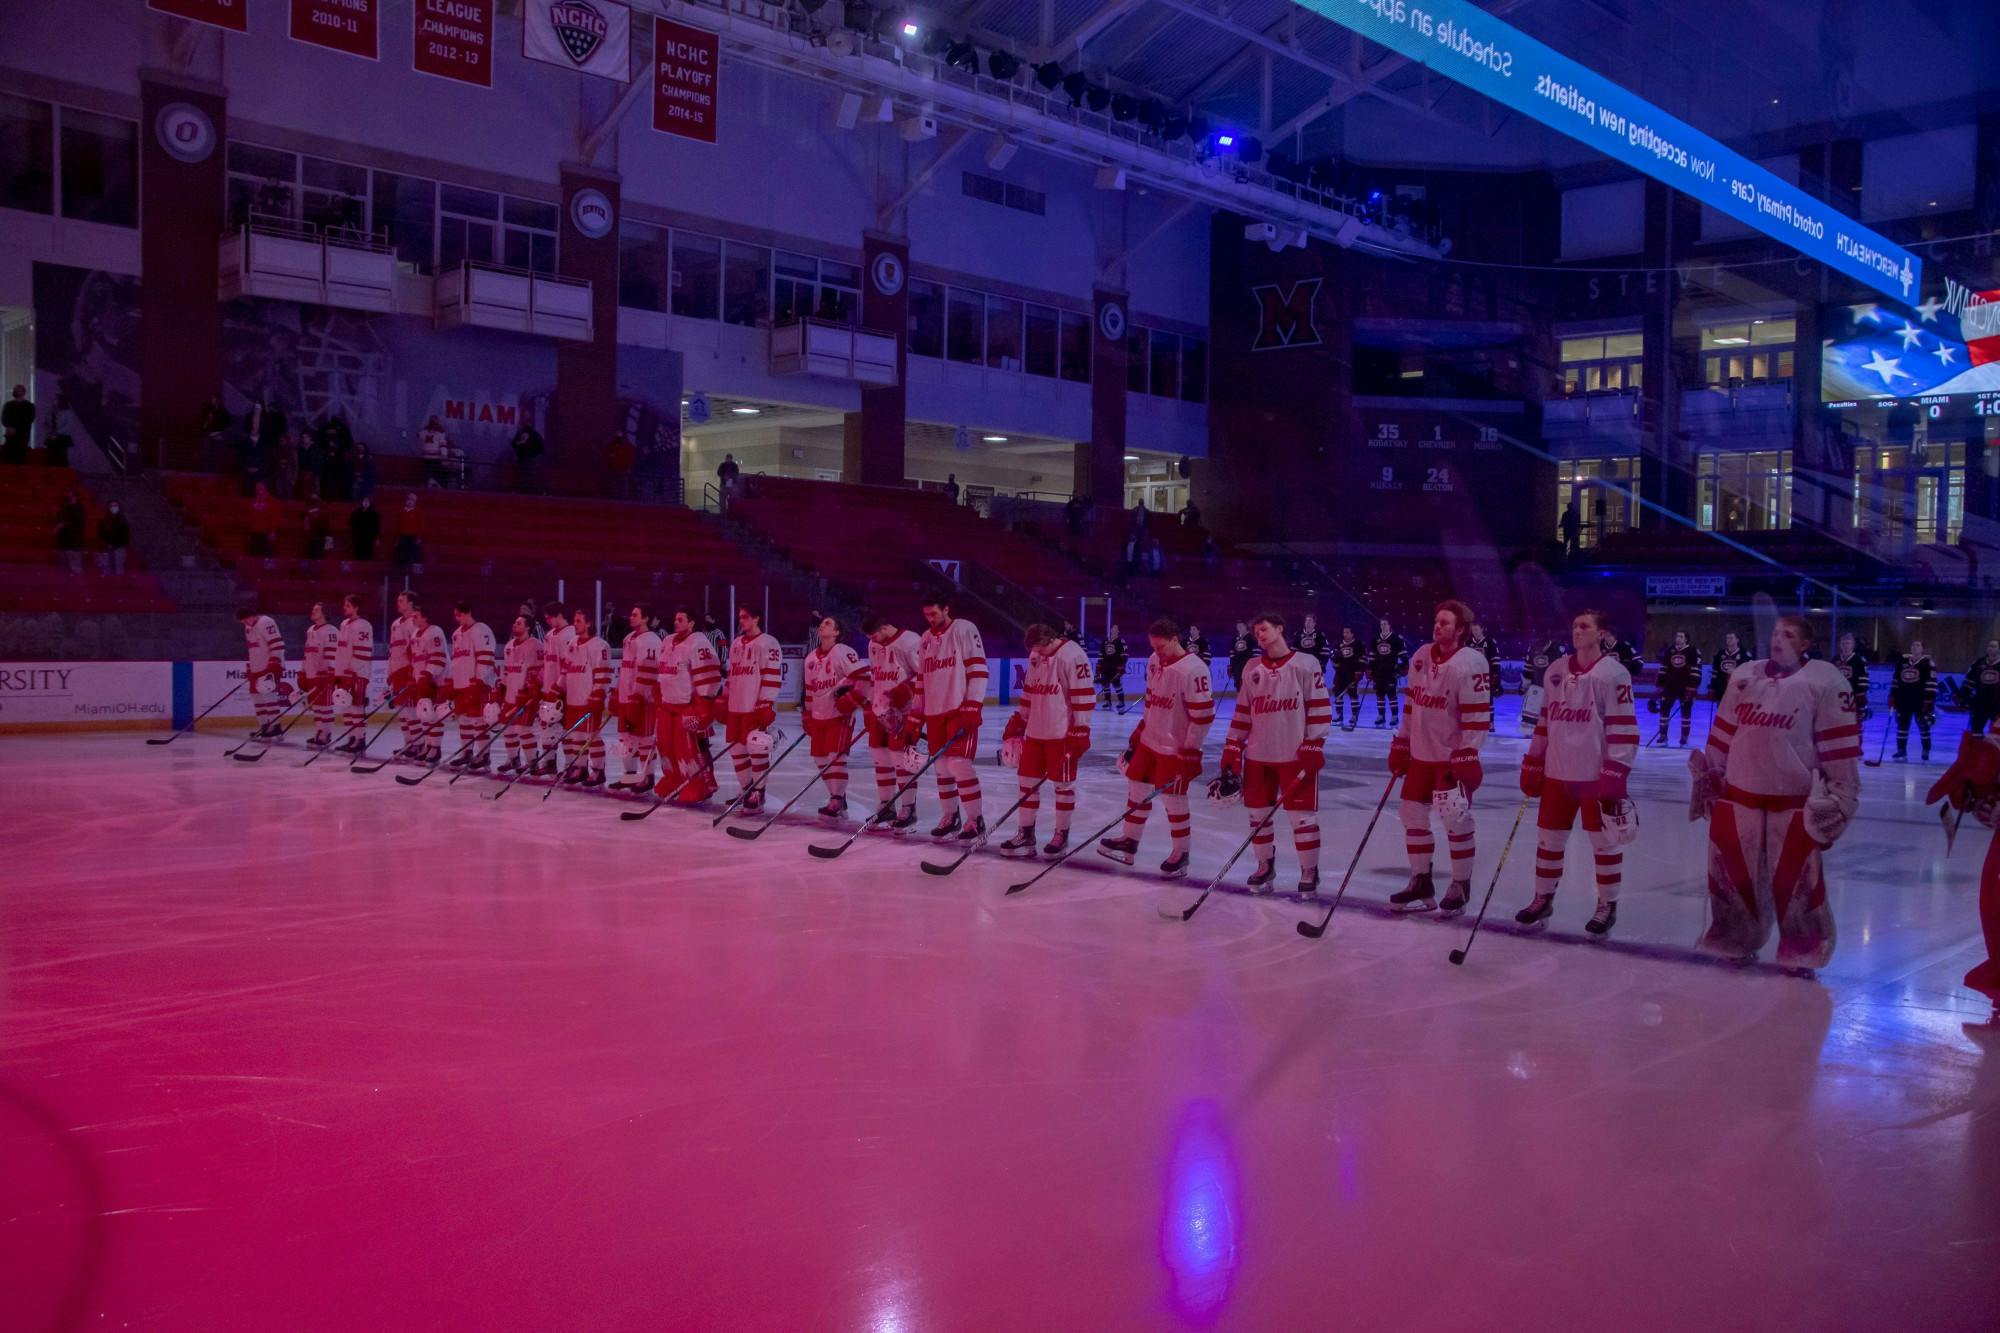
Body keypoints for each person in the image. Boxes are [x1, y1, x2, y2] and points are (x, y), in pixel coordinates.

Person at [1689, 616, 1860, 967]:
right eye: (1776, 632)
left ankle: (1805, 943)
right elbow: (1723, 730)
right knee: (1732, 876)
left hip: (1794, 801)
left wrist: (1842, 793)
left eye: (1789, 635)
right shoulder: (1744, 676)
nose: (1778, 638)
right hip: (1740, 794)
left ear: (1804, 645)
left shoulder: (1824, 681)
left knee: (1796, 880)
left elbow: (1838, 749)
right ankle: (1733, 935)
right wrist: (1711, 773)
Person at [1515, 610, 1640, 935]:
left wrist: (1616, 771)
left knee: (1604, 843)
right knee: (1549, 840)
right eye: (1574, 626)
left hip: (1594, 778)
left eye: (1585, 626)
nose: (1577, 631)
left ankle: (1607, 904)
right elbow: (1544, 721)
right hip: (1557, 774)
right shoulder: (1555, 670)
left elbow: (1624, 727)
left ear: (1602, 633)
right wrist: (1534, 760)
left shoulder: (1614, 674)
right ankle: (1542, 897)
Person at [1387, 600, 1492, 915]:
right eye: (1436, 621)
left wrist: (1468, 752)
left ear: (1460, 630)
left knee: (1455, 821)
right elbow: (1411, 704)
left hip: (1450, 760)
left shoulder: (1471, 662)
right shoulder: (1420, 656)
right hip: (1420, 757)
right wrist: (1402, 743)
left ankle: (1460, 884)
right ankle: (1420, 880)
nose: (1438, 627)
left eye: (1445, 623)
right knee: (1412, 816)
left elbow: (1477, 714)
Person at [1220, 613, 1332, 894]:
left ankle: (1309, 870)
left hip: (1294, 756)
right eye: (1257, 631)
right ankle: (1264, 865)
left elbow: (1319, 706)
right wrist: (1233, 747)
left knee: (1302, 818)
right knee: (1258, 815)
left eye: (1264, 629)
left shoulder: (1306, 664)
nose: (1260, 635)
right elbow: (1243, 711)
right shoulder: (1251, 667)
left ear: (1280, 629)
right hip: (1258, 756)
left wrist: (1314, 743)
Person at [1097, 617, 1215, 876]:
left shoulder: (1194, 669)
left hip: (1175, 749)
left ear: (1175, 640)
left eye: (1161, 647)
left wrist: (1191, 750)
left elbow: (1203, 717)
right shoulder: (1154, 661)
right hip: (1150, 741)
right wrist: (1139, 733)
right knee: (1136, 787)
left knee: (1173, 800)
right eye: (1153, 646)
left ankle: (1181, 853)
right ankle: (1129, 841)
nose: (1157, 652)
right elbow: (1151, 701)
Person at [997, 624, 1094, 858]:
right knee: (1026, 783)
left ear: (1050, 640)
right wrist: (1021, 719)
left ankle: (1061, 834)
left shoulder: (1073, 656)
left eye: (1039, 648)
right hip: (1035, 733)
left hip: (1062, 735)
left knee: (1063, 787)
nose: (1036, 654)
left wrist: (1081, 729)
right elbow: (1029, 691)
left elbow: (1083, 695)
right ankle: (1026, 834)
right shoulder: (1035, 656)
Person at [910, 589, 989, 841]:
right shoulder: (924, 639)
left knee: (959, 765)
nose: (930, 619)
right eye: (926, 615)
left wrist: (973, 704)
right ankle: (949, 816)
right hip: (934, 712)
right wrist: (915, 714)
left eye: (934, 613)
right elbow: (921, 680)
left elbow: (978, 668)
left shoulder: (963, 629)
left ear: (946, 609)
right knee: (942, 768)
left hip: (958, 709)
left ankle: (974, 820)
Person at [801, 615, 870, 820]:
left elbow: (863, 676)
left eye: (828, 623)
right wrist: (807, 713)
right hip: (819, 714)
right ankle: (837, 796)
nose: (822, 625)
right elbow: (808, 689)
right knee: (820, 759)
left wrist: (853, 698)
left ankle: (836, 800)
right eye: (822, 623)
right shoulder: (810, 658)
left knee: (836, 758)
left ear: (837, 632)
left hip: (839, 715)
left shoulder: (843, 652)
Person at [861, 612, 924, 833]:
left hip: (903, 710)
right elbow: (874, 675)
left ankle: (909, 808)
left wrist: (903, 692)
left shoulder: (910, 641)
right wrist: (870, 705)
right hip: (881, 710)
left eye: (875, 635)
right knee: (879, 756)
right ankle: (886, 806)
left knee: (900, 758)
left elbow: (923, 675)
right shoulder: (873, 644)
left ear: (886, 626)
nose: (873, 640)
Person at [654, 606, 724, 802]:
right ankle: (673, 780)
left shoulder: (699, 643)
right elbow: (663, 671)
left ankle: (699, 784)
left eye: (681, 619)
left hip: (687, 708)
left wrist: (703, 703)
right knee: (667, 748)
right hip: (668, 707)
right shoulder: (667, 641)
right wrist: (659, 691)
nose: (676, 622)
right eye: (675, 619)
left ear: (692, 622)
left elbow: (709, 675)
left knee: (691, 749)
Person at [722, 606, 784, 811]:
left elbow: (773, 674)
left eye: (745, 617)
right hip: (735, 707)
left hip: (754, 706)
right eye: (740, 617)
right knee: (736, 749)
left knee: (756, 748)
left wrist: (766, 702)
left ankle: (759, 793)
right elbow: (732, 675)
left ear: (756, 618)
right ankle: (746, 789)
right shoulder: (736, 643)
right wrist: (724, 699)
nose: (741, 621)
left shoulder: (768, 642)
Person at [612, 604, 662, 793]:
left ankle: (647, 777)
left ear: (645, 618)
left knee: (644, 739)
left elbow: (648, 671)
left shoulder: (651, 640)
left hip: (642, 700)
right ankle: (630, 776)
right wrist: (617, 693)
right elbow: (625, 670)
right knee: (626, 739)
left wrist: (638, 695)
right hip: (627, 698)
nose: (631, 618)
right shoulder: (628, 639)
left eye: (635, 615)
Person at [443, 602, 498, 770]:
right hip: (461, 684)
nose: (457, 618)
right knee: (464, 719)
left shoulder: (481, 630)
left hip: (475, 684)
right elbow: (456, 660)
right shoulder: (456, 634)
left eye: (459, 615)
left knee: (477, 720)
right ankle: (466, 753)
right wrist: (452, 681)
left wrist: (479, 679)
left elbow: (486, 656)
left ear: (468, 613)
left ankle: (483, 754)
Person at [559, 609, 612, 785]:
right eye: (575, 620)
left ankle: (598, 770)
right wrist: (557, 688)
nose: (575, 623)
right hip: (573, 699)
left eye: (579, 621)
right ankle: (580, 768)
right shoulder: (572, 643)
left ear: (588, 623)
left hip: (588, 699)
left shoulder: (599, 645)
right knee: (576, 736)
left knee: (591, 736)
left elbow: (603, 672)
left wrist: (598, 695)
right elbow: (566, 669)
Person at [496, 615, 545, 775]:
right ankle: (513, 759)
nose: (514, 625)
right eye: (515, 622)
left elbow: (540, 670)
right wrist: (501, 688)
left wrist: (531, 690)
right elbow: (507, 671)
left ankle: (532, 761)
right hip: (511, 695)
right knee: (507, 729)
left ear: (528, 627)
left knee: (523, 730)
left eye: (519, 623)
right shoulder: (509, 646)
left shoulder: (536, 645)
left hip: (527, 697)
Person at [535, 603, 576, 777]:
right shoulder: (549, 635)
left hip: (562, 691)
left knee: (565, 729)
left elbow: (568, 664)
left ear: (559, 615)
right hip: (548, 690)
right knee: (546, 728)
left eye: (549, 617)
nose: (548, 621)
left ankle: (569, 766)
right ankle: (549, 762)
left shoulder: (570, 634)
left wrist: (559, 685)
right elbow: (547, 662)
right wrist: (539, 680)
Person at [407, 601, 450, 763]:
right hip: (422, 680)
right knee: (424, 713)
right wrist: (414, 676)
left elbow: (439, 657)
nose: (413, 619)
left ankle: (435, 747)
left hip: (435, 681)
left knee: (434, 715)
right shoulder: (415, 634)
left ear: (425, 617)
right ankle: (427, 744)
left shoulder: (434, 632)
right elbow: (415, 659)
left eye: (416, 616)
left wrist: (428, 674)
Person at [237, 604, 288, 738]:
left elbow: (278, 645)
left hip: (269, 666)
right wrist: (250, 667)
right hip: (256, 668)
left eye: (245, 620)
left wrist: (273, 664)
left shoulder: (266, 622)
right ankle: (264, 726)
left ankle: (275, 726)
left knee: (268, 695)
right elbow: (252, 649)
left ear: (252, 616)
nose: (245, 623)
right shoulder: (248, 627)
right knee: (256, 696)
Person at [333, 593, 374, 754]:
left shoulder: (363, 625)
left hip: (358, 674)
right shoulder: (343, 624)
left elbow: (364, 652)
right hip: (344, 674)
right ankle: (351, 738)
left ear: (356, 607)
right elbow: (340, 651)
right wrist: (338, 672)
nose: (344, 607)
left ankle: (360, 739)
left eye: (348, 605)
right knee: (346, 706)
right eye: (344, 605)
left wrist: (352, 670)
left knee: (357, 707)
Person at [1890, 639, 1939, 762]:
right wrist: (1892, 696)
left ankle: (1925, 750)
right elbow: (1896, 680)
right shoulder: (1902, 662)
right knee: (1902, 725)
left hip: (1920, 701)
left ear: (1922, 649)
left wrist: (1928, 701)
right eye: (1913, 645)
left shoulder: (1928, 663)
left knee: (1924, 725)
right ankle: (1901, 750)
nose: (1915, 647)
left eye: (1918, 645)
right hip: (1903, 700)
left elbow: (1932, 683)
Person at [1654, 630, 1703, 747]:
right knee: (1664, 710)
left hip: (1685, 687)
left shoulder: (1693, 651)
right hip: (1669, 686)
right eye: (1677, 636)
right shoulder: (1670, 651)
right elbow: (1664, 668)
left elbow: (1696, 670)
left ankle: (1684, 736)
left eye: (1681, 636)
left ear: (1686, 639)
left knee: (1686, 712)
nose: (1678, 638)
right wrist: (1660, 684)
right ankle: (1663, 735)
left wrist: (1692, 687)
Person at [301, 601, 340, 748]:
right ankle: (319, 732)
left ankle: (326, 733)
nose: (313, 611)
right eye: (313, 609)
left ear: (324, 613)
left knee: (325, 705)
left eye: (316, 610)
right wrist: (302, 671)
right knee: (316, 706)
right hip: (311, 674)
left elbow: (332, 653)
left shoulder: (331, 631)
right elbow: (307, 653)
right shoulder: (310, 630)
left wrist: (329, 672)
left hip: (323, 675)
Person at [386, 590, 419, 756]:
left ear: (410, 603)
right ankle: (408, 743)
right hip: (397, 672)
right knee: (401, 710)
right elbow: (393, 650)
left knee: (411, 709)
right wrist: (390, 672)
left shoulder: (414, 622)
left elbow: (415, 650)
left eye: (401, 600)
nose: (398, 603)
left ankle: (418, 743)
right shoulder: (395, 624)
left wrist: (413, 672)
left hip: (408, 672)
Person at [1369, 618, 1407, 728]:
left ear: (1390, 625)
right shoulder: (1375, 639)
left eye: (1385, 624)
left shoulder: (1396, 639)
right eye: (1381, 624)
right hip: (1378, 672)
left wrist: (1402, 667)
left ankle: (1394, 716)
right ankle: (1381, 715)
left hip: (1391, 672)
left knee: (1391, 695)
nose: (1383, 626)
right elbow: (1372, 657)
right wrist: (1369, 670)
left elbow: (1403, 656)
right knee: (1379, 695)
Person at [1520, 633, 1562, 735]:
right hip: (1536, 684)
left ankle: (1553, 730)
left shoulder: (1557, 649)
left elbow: (1564, 668)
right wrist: (1524, 685)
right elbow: (1528, 667)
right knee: (1532, 706)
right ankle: (1529, 730)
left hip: (1554, 686)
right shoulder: (1532, 648)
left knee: (1553, 710)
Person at [1831, 633, 1873, 724]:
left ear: (1853, 645)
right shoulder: (1834, 660)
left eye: (1848, 643)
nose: (1845, 646)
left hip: (1854, 697)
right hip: (1836, 697)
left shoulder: (1859, 660)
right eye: (1843, 643)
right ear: (1840, 645)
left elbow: (1864, 681)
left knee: (1855, 725)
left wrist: (1861, 698)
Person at [1331, 626, 1366, 731]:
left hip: (1352, 674)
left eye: (1347, 632)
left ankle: (1354, 716)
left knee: (1353, 695)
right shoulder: (1338, 645)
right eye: (1344, 632)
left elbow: (1364, 659)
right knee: (1338, 694)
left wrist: (1359, 672)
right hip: (1340, 674)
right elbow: (1333, 659)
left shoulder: (1359, 645)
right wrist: (1335, 661)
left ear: (1352, 634)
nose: (1345, 634)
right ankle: (1339, 715)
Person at [1965, 641, 2000, 739]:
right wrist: (1964, 695)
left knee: (1997, 734)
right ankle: (1976, 753)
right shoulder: (1978, 663)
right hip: (1980, 703)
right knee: (1976, 732)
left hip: (1997, 704)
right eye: (1989, 646)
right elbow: (1969, 680)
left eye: (1994, 646)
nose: (1990, 648)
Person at [1097, 624, 1130, 713]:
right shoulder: (1105, 641)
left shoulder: (1120, 641)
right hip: (1105, 666)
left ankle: (1121, 702)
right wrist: (1099, 665)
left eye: (1116, 629)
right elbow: (1101, 654)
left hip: (1116, 666)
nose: (1114, 630)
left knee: (1116, 683)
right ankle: (1108, 702)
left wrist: (1122, 665)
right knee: (1105, 684)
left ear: (1118, 631)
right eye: (1113, 628)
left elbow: (1125, 654)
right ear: (1110, 630)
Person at [1710, 632, 1749, 703]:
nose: (1729, 640)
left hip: (1737, 688)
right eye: (1727, 638)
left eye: (1731, 638)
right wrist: (1713, 686)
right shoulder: (1720, 653)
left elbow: (1748, 671)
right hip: (1722, 687)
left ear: (1737, 640)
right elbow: (1715, 670)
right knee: (1721, 709)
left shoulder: (1744, 654)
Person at [54, 488, 86, 573]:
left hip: (74, 536)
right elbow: (59, 518)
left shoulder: (79, 507)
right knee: (63, 557)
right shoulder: (64, 506)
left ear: (76, 496)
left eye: (71, 495)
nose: (69, 496)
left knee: (73, 556)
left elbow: (78, 522)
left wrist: (64, 524)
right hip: (63, 536)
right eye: (67, 494)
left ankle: (76, 571)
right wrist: (58, 525)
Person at [94, 500, 129, 575]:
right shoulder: (105, 519)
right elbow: (101, 532)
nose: (114, 507)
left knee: (119, 567)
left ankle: (119, 583)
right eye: (112, 506)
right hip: (107, 546)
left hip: (119, 546)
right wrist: (106, 543)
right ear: (109, 507)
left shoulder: (123, 519)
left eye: (115, 505)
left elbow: (124, 534)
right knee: (107, 567)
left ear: (119, 507)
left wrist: (116, 544)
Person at [2, 384, 35, 463]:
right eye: (14, 389)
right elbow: (4, 419)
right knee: (7, 459)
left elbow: (28, 420)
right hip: (10, 437)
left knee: (20, 459)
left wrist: (16, 429)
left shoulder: (29, 406)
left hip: (22, 438)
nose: (14, 391)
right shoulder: (8, 405)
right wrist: (10, 428)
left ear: (23, 392)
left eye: (17, 389)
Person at [44, 392, 76, 469]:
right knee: (50, 457)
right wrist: (49, 432)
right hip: (51, 437)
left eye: (56, 399)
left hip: (61, 438)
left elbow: (68, 427)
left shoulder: (68, 412)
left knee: (61, 458)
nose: (53, 401)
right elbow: (46, 423)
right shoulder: (51, 411)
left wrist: (56, 433)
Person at [512, 422, 545, 493]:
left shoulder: (520, 433)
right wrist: (535, 454)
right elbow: (542, 446)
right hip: (532, 459)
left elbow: (514, 444)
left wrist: (519, 451)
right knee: (531, 475)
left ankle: (522, 490)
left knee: (522, 475)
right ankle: (531, 490)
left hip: (522, 458)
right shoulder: (535, 435)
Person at [393, 493, 424, 570]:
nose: (409, 501)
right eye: (408, 500)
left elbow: (421, 525)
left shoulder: (418, 512)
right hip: (402, 537)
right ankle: (402, 572)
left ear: (414, 502)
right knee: (402, 555)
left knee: (413, 555)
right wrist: (397, 538)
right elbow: (397, 525)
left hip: (413, 537)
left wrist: (419, 537)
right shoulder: (401, 511)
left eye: (412, 500)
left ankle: (412, 574)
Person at [605, 432, 637, 500]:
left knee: (622, 483)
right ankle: (615, 496)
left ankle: (622, 497)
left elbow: (630, 458)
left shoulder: (627, 447)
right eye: (617, 437)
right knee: (615, 483)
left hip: (622, 469)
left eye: (619, 438)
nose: (618, 439)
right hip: (614, 468)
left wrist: (628, 467)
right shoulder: (612, 446)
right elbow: (608, 456)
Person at [421, 416, 450, 488]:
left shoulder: (424, 432)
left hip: (426, 456)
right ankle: (433, 484)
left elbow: (418, 435)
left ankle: (429, 484)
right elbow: (443, 445)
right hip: (435, 457)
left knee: (428, 472)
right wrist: (444, 456)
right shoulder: (440, 433)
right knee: (434, 472)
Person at [349, 495, 380, 560]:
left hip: (369, 538)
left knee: (367, 555)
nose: (366, 503)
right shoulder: (356, 512)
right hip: (358, 537)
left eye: (367, 501)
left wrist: (376, 537)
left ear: (370, 503)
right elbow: (350, 522)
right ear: (362, 502)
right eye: (364, 501)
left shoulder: (374, 514)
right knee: (358, 555)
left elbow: (376, 526)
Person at [1226, 620, 1255, 690]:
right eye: (1237, 627)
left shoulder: (1252, 638)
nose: (1239, 628)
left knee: (1249, 687)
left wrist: (1253, 667)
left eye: (1240, 626)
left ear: (1245, 626)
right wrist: (1231, 666)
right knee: (1238, 686)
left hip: (1248, 667)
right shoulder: (1235, 639)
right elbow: (1232, 653)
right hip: (1237, 668)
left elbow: (1256, 654)